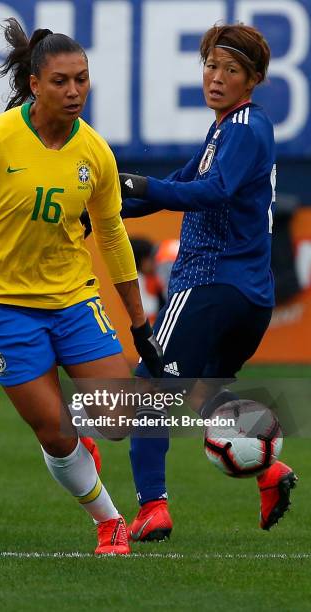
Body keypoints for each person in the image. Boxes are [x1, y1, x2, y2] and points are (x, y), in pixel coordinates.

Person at [0, 18, 163, 555]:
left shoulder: (95, 153)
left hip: (73, 298)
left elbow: (113, 235)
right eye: (61, 81)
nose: (74, 90)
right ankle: (110, 521)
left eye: (82, 78)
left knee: (119, 419)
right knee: (54, 433)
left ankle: (80, 444)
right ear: (34, 84)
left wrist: (140, 322)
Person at [118, 23, 298, 541]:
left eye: (231, 70)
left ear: (254, 79)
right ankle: (268, 470)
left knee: (149, 393)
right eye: (211, 66)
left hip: (211, 284)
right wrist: (109, 204)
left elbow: (211, 190)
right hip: (249, 296)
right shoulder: (229, 128)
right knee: (199, 393)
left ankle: (153, 507)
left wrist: (128, 182)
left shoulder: (243, 126)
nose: (216, 78)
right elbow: (177, 185)